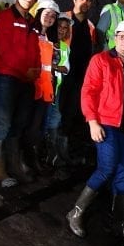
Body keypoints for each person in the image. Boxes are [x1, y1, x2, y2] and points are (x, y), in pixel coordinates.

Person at [66, 20, 124, 242]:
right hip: (107, 124)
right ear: (115, 38)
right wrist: (92, 121)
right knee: (107, 168)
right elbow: (89, 92)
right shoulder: (101, 60)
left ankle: (119, 224)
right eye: (122, 37)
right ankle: (76, 212)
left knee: (123, 175)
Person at [0, 0, 42, 187]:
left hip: (27, 81)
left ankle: (15, 167)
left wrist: (35, 70)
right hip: (7, 78)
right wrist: (24, 70)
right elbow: (2, 50)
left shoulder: (33, 23)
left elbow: (36, 50)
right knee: (2, 123)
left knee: (18, 124)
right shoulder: (3, 18)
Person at [58, 0, 97, 163]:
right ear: (74, 0)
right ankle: (58, 154)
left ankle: (71, 152)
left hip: (82, 77)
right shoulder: (63, 19)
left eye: (89, 0)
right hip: (63, 76)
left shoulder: (90, 26)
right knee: (61, 114)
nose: (85, 3)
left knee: (76, 113)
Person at [28, 0, 60, 176]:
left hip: (46, 90)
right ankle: (28, 162)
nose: (49, 17)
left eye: (53, 16)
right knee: (30, 127)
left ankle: (36, 161)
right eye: (47, 13)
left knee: (40, 128)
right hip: (31, 89)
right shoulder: (30, 34)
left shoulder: (52, 41)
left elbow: (52, 67)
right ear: (39, 13)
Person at [44, 14, 70, 167]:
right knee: (44, 118)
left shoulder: (65, 47)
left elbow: (66, 68)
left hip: (57, 87)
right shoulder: (46, 42)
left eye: (65, 28)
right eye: (60, 26)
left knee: (55, 117)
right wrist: (54, 68)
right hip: (44, 86)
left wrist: (52, 67)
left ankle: (52, 155)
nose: (62, 30)